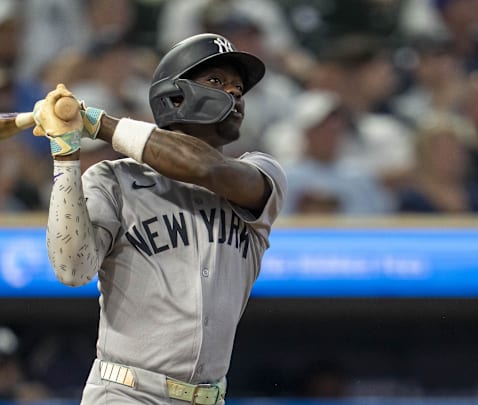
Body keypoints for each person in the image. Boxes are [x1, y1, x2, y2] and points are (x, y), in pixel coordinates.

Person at [30, 33, 286, 404]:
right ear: (175, 96)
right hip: (125, 392)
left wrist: (101, 124)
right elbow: (73, 270)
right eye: (217, 82)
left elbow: (204, 168)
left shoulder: (261, 173)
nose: (234, 94)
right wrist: (66, 157)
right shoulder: (112, 179)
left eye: (239, 88)